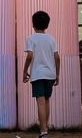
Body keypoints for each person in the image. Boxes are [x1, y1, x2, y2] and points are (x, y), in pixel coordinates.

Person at [21, 9, 60, 138]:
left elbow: (29, 56)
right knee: (47, 101)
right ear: (47, 25)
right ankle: (45, 128)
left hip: (37, 74)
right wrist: (57, 75)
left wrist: (25, 70)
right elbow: (57, 57)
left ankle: (43, 132)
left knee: (40, 102)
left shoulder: (30, 39)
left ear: (33, 24)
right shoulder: (51, 39)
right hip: (50, 74)